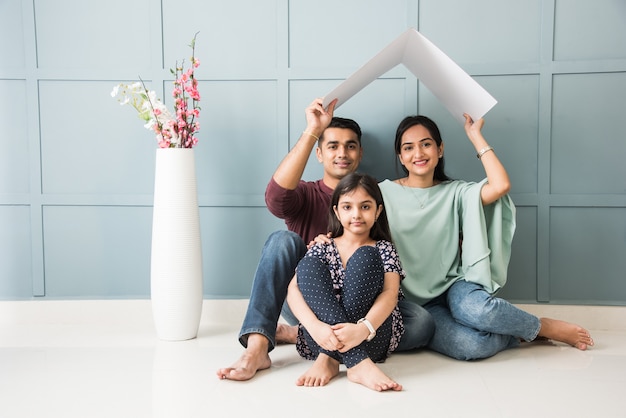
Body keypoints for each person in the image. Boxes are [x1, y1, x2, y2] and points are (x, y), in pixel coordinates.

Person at [216, 99, 435, 381]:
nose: (342, 153)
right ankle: (258, 347)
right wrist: (312, 130)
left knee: (421, 324)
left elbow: (389, 290)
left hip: (364, 305)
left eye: (350, 145)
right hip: (311, 304)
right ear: (319, 153)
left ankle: (307, 338)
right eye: (332, 145)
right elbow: (274, 197)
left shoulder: (374, 196)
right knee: (282, 240)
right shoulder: (305, 195)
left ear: (360, 153)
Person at [377, 113, 594, 360]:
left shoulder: (456, 192)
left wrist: (475, 135)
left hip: (455, 285)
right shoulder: (383, 192)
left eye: (426, 144)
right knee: (473, 346)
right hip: (416, 303)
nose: (418, 153)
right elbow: (349, 214)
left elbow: (500, 186)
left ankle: (542, 326)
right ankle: (518, 333)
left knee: (479, 311)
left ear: (440, 149)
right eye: (408, 148)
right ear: (400, 156)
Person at [287, 173, 404, 391]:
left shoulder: (383, 248)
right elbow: (293, 289)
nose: (357, 214)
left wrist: (363, 328)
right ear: (337, 212)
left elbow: (390, 293)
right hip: (320, 338)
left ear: (378, 211)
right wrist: (316, 327)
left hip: (369, 336)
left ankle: (333, 359)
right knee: (307, 265)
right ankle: (351, 362)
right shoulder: (323, 245)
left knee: (365, 257)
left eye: (365, 207)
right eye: (348, 207)